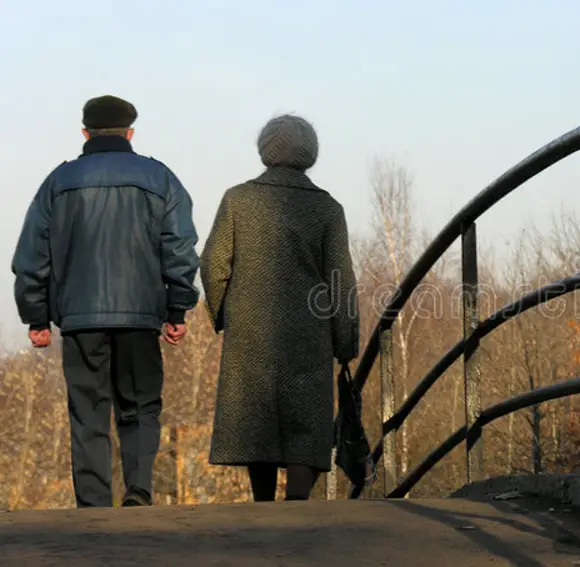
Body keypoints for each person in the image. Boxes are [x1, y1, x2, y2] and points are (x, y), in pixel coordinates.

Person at [11, 95, 200, 507]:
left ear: (85, 133)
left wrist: (36, 317)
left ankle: (93, 506)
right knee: (140, 406)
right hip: (140, 315)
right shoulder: (159, 178)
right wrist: (177, 308)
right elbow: (181, 248)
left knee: (88, 414)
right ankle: (138, 492)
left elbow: (32, 256)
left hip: (80, 319)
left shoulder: (58, 183)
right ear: (130, 132)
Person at [200, 114, 359, 502]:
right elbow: (341, 280)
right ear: (311, 153)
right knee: (305, 418)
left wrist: (225, 313)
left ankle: (263, 505)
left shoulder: (237, 199)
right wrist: (346, 340)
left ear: (264, 150)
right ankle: (298, 505)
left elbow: (213, 263)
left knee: (257, 415)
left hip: (250, 327)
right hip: (309, 327)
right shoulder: (327, 208)